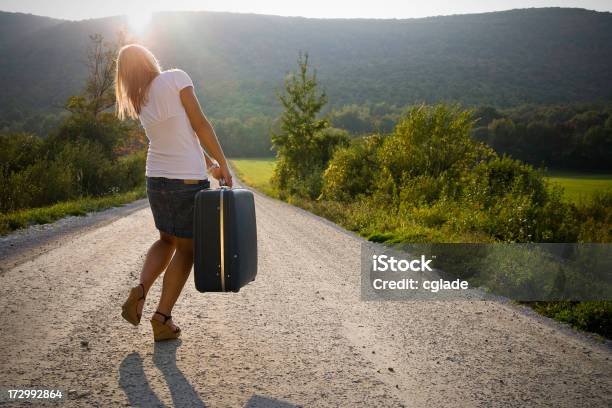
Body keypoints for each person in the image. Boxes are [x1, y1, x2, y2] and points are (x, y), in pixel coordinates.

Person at [115, 44, 232, 342]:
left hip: (155, 178)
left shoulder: (139, 99)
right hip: (186, 183)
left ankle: (140, 290)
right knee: (186, 250)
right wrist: (225, 164)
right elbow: (200, 125)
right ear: (148, 59)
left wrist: (211, 165)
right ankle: (162, 318)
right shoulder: (176, 78)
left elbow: (182, 135)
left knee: (165, 240)